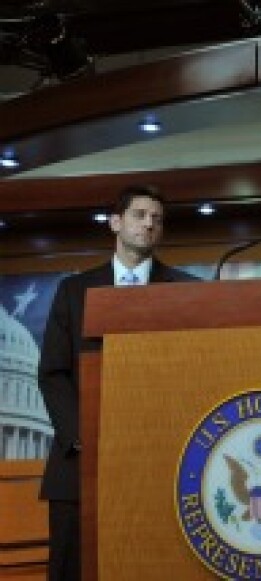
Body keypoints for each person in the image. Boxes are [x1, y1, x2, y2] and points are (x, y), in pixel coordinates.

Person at [38, 185, 198, 581]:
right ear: (116, 222)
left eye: (157, 219)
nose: (149, 225)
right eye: (140, 215)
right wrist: (83, 438)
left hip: (157, 460)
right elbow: (53, 371)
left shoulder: (186, 290)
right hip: (79, 463)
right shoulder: (75, 290)